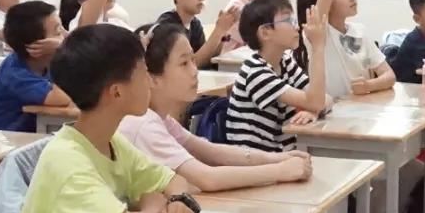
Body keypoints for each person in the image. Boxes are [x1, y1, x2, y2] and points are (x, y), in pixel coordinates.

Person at [17, 24, 197, 213]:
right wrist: (153, 206)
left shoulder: (111, 142)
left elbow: (173, 180)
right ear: (117, 92)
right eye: (143, 73)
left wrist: (178, 200)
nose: (150, 82)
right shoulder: (66, 160)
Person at [119, 22, 313, 191]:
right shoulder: (143, 124)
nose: (194, 71)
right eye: (184, 63)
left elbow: (213, 152)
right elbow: (207, 178)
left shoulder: (160, 119)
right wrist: (280, 171)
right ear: (151, 78)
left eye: (193, 60)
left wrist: (278, 158)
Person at [225, 0, 330, 153]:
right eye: (289, 21)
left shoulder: (285, 62)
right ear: (265, 32)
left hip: (281, 155)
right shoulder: (256, 72)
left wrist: (312, 110)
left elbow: (324, 98)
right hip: (256, 161)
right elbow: (316, 101)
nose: (297, 27)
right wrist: (317, 47)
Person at [0, 1, 72, 132]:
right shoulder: (16, 73)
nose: (65, 37)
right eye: (58, 32)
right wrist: (62, 50)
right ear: (37, 46)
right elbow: (61, 98)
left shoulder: (44, 63)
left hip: (23, 135)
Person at [155, 0, 236, 69]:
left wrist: (225, 33)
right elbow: (192, 64)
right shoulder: (168, 25)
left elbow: (208, 57)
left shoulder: (195, 24)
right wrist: (218, 30)